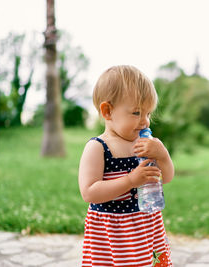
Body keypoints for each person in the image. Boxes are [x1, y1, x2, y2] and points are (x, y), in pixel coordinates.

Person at [78, 65, 174, 266]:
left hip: (147, 225)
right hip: (114, 233)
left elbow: (167, 177)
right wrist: (131, 180)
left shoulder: (147, 146)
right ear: (107, 111)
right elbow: (89, 192)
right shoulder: (98, 147)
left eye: (148, 114)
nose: (145, 122)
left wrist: (163, 156)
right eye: (137, 113)